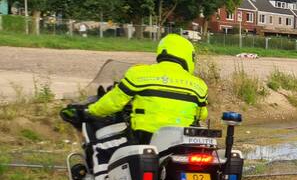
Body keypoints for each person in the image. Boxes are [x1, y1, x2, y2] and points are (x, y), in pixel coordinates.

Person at [63, 33, 209, 143]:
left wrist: (91, 110)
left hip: (144, 138)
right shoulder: (199, 85)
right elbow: (202, 114)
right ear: (189, 57)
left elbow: (113, 102)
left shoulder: (139, 74)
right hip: (182, 141)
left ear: (162, 52)